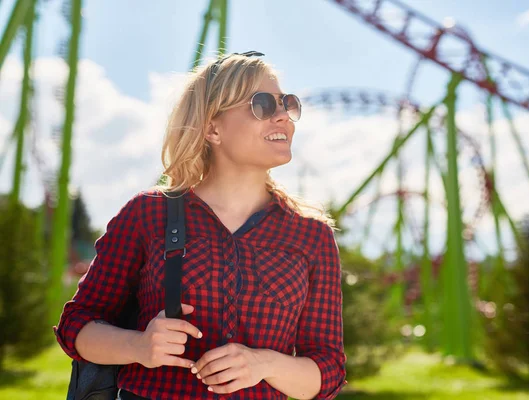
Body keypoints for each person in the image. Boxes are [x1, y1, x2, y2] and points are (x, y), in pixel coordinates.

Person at [54, 51, 346, 400]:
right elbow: (76, 326)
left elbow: (328, 371)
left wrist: (264, 364)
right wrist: (139, 345)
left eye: (288, 105)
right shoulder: (147, 214)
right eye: (264, 105)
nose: (284, 117)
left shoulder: (312, 235)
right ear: (212, 128)